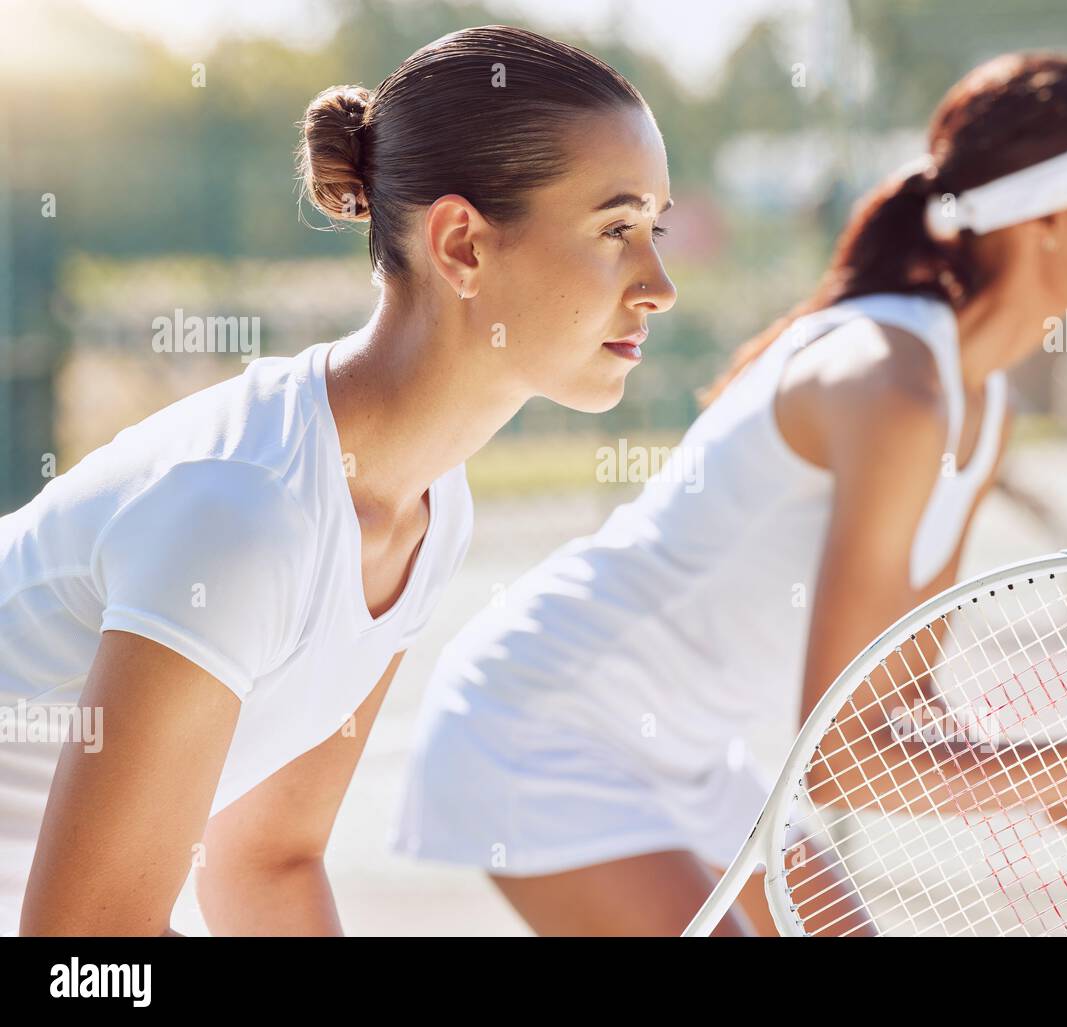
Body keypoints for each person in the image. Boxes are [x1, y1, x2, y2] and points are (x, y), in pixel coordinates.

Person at [390, 52, 1067, 936]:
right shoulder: (890, 385)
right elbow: (843, 759)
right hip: (541, 723)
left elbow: (899, 701)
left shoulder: (979, 404)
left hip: (689, 757)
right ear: (1047, 216)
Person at [0, 24, 675, 936]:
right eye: (617, 228)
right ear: (462, 245)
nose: (660, 283)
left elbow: (265, 862)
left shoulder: (431, 510)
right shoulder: (243, 518)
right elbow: (83, 959)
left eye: (654, 229)